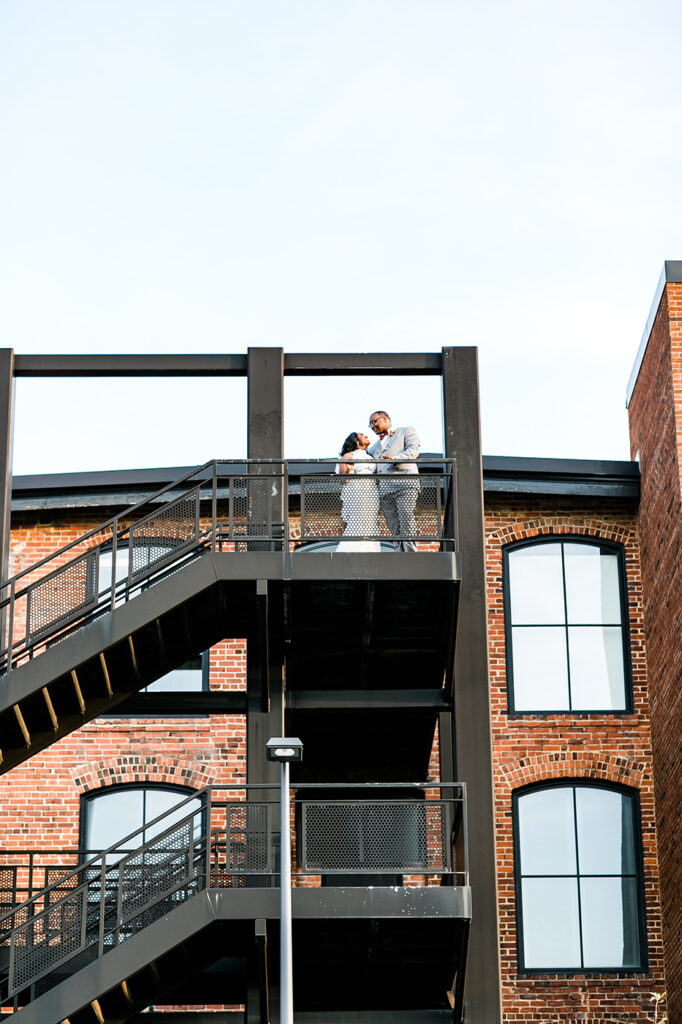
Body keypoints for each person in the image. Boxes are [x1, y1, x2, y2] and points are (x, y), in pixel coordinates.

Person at [367, 411, 421, 552]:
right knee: (392, 523)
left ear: (386, 419)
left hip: (405, 484)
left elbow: (414, 450)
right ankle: (398, 552)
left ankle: (410, 554)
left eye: (374, 421)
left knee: (406, 517)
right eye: (370, 424)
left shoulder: (406, 431)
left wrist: (397, 458)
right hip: (384, 489)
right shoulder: (373, 448)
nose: (372, 426)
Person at [335, 432, 380, 553]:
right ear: (355, 440)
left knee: (371, 522)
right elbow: (342, 479)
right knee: (359, 521)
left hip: (371, 492)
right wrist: (348, 471)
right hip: (357, 491)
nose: (366, 435)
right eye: (361, 434)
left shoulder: (371, 457)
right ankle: (351, 551)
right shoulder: (348, 456)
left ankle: (370, 550)